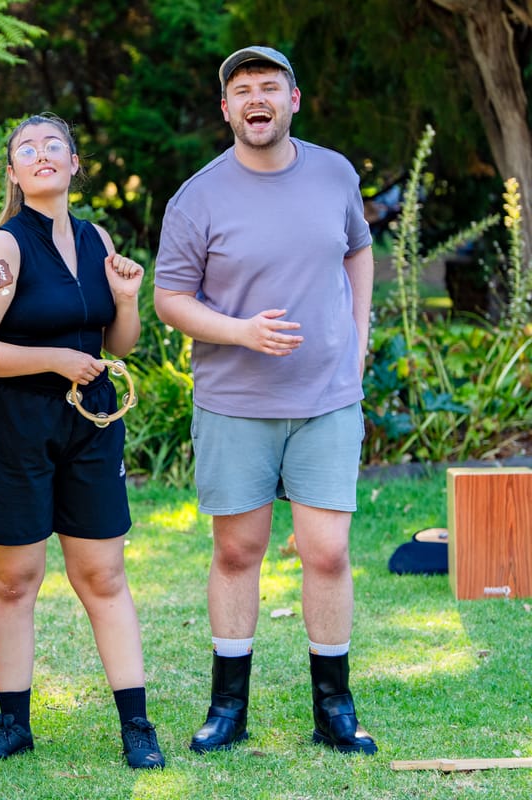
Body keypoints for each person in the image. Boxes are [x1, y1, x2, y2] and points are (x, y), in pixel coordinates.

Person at [153, 46, 377, 755]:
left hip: (327, 398)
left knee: (329, 550)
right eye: (242, 89)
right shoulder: (198, 197)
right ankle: (228, 709)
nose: (257, 98)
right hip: (234, 400)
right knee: (238, 549)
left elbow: (358, 249)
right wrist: (241, 332)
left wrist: (359, 335)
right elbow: (169, 300)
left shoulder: (335, 172)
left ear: (293, 100)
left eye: (269, 87)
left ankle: (334, 707)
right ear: (226, 109)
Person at [0, 114, 165, 770]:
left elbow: (118, 345)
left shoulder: (96, 236)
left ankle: (137, 724)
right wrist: (53, 360)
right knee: (16, 578)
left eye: (54, 146)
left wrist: (127, 301)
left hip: (92, 421)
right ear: (15, 175)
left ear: (74, 164)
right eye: (27, 149)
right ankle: (13, 724)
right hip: (14, 426)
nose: (42, 155)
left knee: (102, 572)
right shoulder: (3, 248)